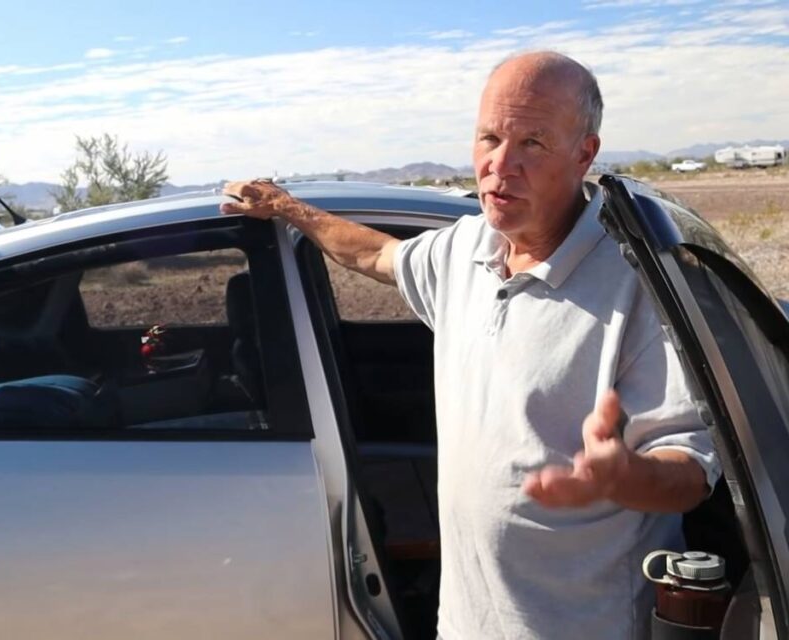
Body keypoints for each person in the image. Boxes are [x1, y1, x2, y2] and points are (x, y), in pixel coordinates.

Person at [220, 51, 720, 639]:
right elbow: (375, 254)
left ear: (585, 153)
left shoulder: (638, 287)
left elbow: (689, 468)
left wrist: (624, 477)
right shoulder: (465, 249)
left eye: (532, 142)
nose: (499, 165)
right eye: (489, 138)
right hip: (467, 621)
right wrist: (286, 208)